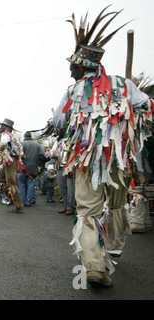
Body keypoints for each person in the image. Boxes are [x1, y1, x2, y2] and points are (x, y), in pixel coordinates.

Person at [53, 6, 154, 288]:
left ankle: (95, 265)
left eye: (72, 64)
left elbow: (59, 122)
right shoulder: (124, 85)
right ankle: (111, 250)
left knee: (88, 210)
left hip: (88, 163)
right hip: (120, 162)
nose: (70, 69)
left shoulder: (72, 91)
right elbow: (147, 106)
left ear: (82, 65)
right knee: (119, 206)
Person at [0, 118, 24, 213]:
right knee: (0, 179)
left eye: (2, 126)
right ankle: (11, 197)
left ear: (7, 128)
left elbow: (3, 144)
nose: (0, 127)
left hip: (10, 161)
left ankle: (18, 205)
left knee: (11, 182)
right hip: (8, 161)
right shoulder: (10, 135)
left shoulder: (5, 134)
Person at [18, 131, 46, 207]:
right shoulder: (37, 145)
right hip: (33, 168)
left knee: (22, 185)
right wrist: (39, 164)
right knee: (31, 185)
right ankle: (29, 201)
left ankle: (23, 201)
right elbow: (42, 156)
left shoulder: (20, 144)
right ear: (31, 136)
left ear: (24, 136)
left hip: (22, 168)